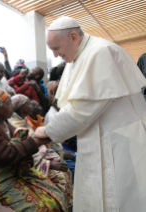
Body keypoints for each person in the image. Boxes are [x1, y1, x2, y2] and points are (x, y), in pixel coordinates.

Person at [34, 16, 146, 211]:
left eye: (56, 48)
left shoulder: (101, 52)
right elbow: (67, 104)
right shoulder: (76, 56)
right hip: (97, 135)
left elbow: (81, 111)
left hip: (120, 139)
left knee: (122, 197)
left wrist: (44, 133)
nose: (55, 54)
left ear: (73, 37)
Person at [0, 90, 67, 212]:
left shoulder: (5, 123)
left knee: (54, 194)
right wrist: (35, 142)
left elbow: (18, 143)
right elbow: (6, 156)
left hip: (14, 169)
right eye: (8, 103)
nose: (12, 106)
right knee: (42, 207)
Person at [9, 95, 73, 209]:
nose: (31, 106)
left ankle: (66, 206)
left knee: (66, 171)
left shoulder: (22, 120)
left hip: (40, 156)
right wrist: (48, 164)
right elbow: (27, 149)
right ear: (22, 108)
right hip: (30, 163)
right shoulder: (15, 125)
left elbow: (36, 145)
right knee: (61, 177)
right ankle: (59, 207)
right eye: (28, 104)